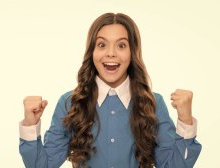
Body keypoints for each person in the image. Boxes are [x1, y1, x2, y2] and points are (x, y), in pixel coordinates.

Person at [18, 13, 201, 168]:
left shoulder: (153, 103)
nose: (111, 53)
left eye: (121, 45)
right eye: (102, 45)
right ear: (92, 52)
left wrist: (185, 122)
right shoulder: (69, 103)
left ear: (132, 52)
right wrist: (30, 125)